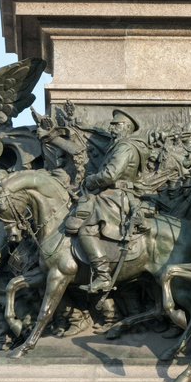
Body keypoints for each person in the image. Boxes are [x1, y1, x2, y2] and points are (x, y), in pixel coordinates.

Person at [65, 109, 150, 292]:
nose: (112, 128)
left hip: (116, 197)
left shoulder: (125, 147)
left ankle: (103, 275)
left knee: (86, 228)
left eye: (116, 125)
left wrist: (89, 181)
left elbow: (111, 174)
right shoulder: (120, 144)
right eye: (112, 124)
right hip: (113, 194)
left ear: (126, 127)